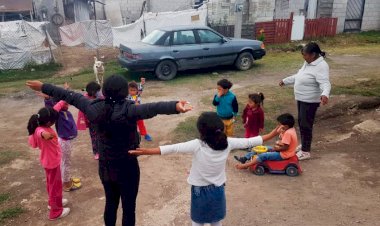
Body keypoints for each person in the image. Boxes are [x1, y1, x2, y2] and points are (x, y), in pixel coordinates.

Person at [26, 75, 192, 226]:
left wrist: (43, 86)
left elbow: (69, 95)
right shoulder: (130, 110)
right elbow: (153, 108)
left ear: (104, 91)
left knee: (111, 204)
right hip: (128, 165)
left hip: (106, 166)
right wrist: (175, 106)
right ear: (124, 92)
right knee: (129, 208)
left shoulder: (92, 107)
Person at [128, 112, 280, 226]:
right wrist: (273, 133)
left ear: (201, 131)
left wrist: (145, 151)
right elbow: (250, 141)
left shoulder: (197, 145)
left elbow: (171, 149)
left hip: (199, 190)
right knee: (216, 220)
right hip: (218, 189)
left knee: (198, 222)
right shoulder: (229, 142)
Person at [279, 42, 331, 160]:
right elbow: (299, 76)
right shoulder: (308, 63)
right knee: (302, 122)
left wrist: (324, 94)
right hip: (301, 98)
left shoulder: (321, 66)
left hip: (310, 101)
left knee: (306, 125)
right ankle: (304, 145)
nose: (304, 57)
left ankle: (306, 151)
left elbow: (325, 83)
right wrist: (285, 80)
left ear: (313, 54)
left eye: (305, 55)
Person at [27, 107, 70, 221]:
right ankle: (56, 212)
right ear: (49, 122)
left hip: (49, 161)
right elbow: (40, 133)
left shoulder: (41, 123)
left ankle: (53, 203)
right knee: (55, 187)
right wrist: (44, 135)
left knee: (52, 185)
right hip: (52, 163)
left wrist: (63, 99)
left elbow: (55, 109)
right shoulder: (40, 130)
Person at [40, 84, 81, 192]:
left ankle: (66, 179)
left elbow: (63, 97)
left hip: (68, 140)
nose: (67, 105)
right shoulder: (57, 113)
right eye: (65, 103)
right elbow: (51, 109)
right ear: (59, 103)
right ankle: (66, 184)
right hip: (65, 141)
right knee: (66, 162)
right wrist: (48, 99)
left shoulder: (64, 111)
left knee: (66, 162)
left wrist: (66, 90)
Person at [77, 81, 102, 160]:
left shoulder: (100, 96)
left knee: (102, 136)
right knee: (94, 137)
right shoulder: (85, 98)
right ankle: (96, 152)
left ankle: (102, 151)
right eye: (97, 91)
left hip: (101, 121)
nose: (98, 92)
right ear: (92, 91)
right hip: (92, 122)